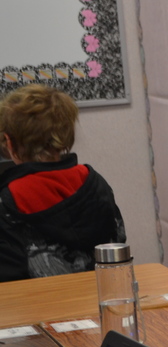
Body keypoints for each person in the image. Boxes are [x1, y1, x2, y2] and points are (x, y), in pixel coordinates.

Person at [0, 84, 125, 282]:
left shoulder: (7, 201)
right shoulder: (95, 183)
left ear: (9, 142)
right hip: (99, 295)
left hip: (37, 301)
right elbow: (117, 246)